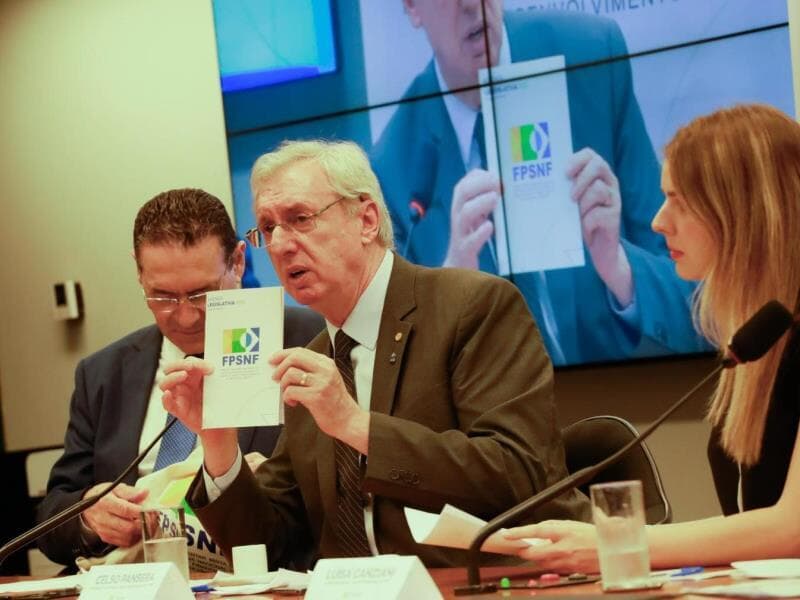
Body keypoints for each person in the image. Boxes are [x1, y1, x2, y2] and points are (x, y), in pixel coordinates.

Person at [160, 140, 590, 568]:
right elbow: (270, 547)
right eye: (268, 228)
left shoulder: (473, 307)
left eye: (300, 219)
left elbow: (518, 474)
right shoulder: (313, 360)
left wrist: (354, 424)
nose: (281, 244)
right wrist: (217, 441)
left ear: (366, 220)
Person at [502, 104, 800, 569]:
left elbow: (792, 528)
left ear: (742, 209)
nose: (659, 221)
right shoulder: (756, 340)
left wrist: (620, 543)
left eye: (679, 201)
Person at [370, 1, 707, 365]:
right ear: (412, 8)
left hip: (635, 390)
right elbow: (399, 370)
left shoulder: (590, 56)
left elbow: (699, 299)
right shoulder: (392, 172)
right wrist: (449, 300)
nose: (471, 5)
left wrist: (620, 268)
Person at [37, 188, 324, 568]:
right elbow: (52, 516)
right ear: (139, 273)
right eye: (163, 297)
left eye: (201, 294)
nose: (185, 316)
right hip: (135, 578)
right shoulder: (104, 374)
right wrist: (90, 516)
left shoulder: (311, 341)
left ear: (238, 262)